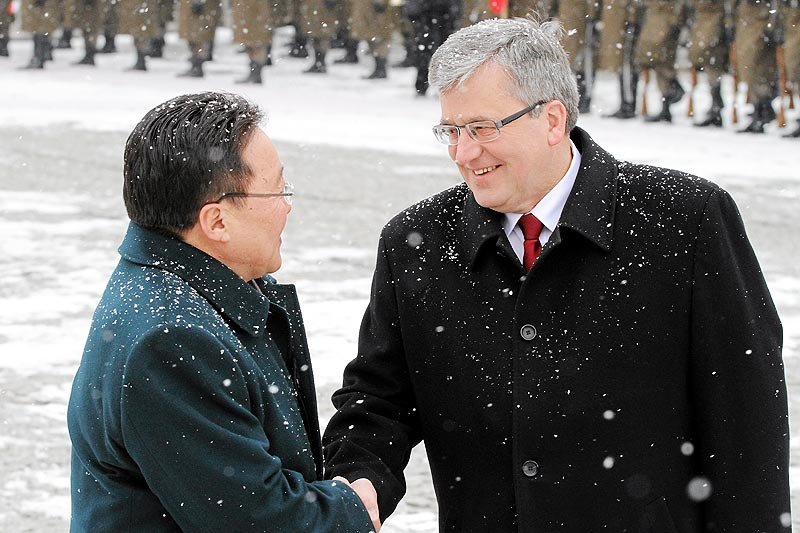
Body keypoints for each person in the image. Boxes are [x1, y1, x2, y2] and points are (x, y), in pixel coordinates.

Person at [323, 17, 790, 531]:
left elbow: (747, 426)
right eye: (451, 131)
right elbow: (377, 399)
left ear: (551, 119)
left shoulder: (685, 221)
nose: (463, 153)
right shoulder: (416, 242)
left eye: (481, 129)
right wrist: (359, 477)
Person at [67, 92, 379, 532]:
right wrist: (349, 510)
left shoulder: (199, 289)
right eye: (278, 189)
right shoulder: (172, 340)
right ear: (217, 222)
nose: (288, 205)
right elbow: (260, 520)